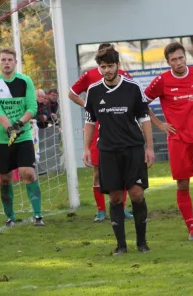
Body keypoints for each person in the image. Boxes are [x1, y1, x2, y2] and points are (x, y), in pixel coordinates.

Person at [144, 42, 193, 241]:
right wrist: (160, 125)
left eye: (180, 58)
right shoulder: (161, 80)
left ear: (185, 57)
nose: (178, 63)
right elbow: (141, 103)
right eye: (173, 60)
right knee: (183, 185)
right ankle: (191, 228)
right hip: (177, 140)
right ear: (168, 62)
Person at [82, 46, 154, 255]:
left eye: (110, 66)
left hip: (132, 148)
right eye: (102, 66)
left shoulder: (132, 88)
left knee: (137, 194)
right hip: (107, 151)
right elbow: (89, 121)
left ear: (118, 66)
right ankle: (121, 246)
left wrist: (149, 148)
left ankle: (142, 243)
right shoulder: (94, 92)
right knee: (115, 198)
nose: (106, 70)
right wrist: (86, 148)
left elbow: (145, 119)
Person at [69, 43, 134, 222]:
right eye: (102, 61)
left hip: (121, 131)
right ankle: (100, 210)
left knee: (123, 170)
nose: (106, 66)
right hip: (98, 129)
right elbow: (72, 93)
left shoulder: (124, 76)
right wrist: (89, 107)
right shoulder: (89, 75)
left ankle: (121, 208)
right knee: (98, 171)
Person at [0, 47, 44, 227]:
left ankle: (38, 215)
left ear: (16, 62)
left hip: (23, 135)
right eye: (3, 60)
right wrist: (9, 128)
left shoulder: (25, 81)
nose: (7, 63)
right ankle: (10, 217)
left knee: (28, 173)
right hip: (1, 138)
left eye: (10, 60)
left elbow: (32, 107)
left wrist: (18, 125)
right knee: (5, 178)